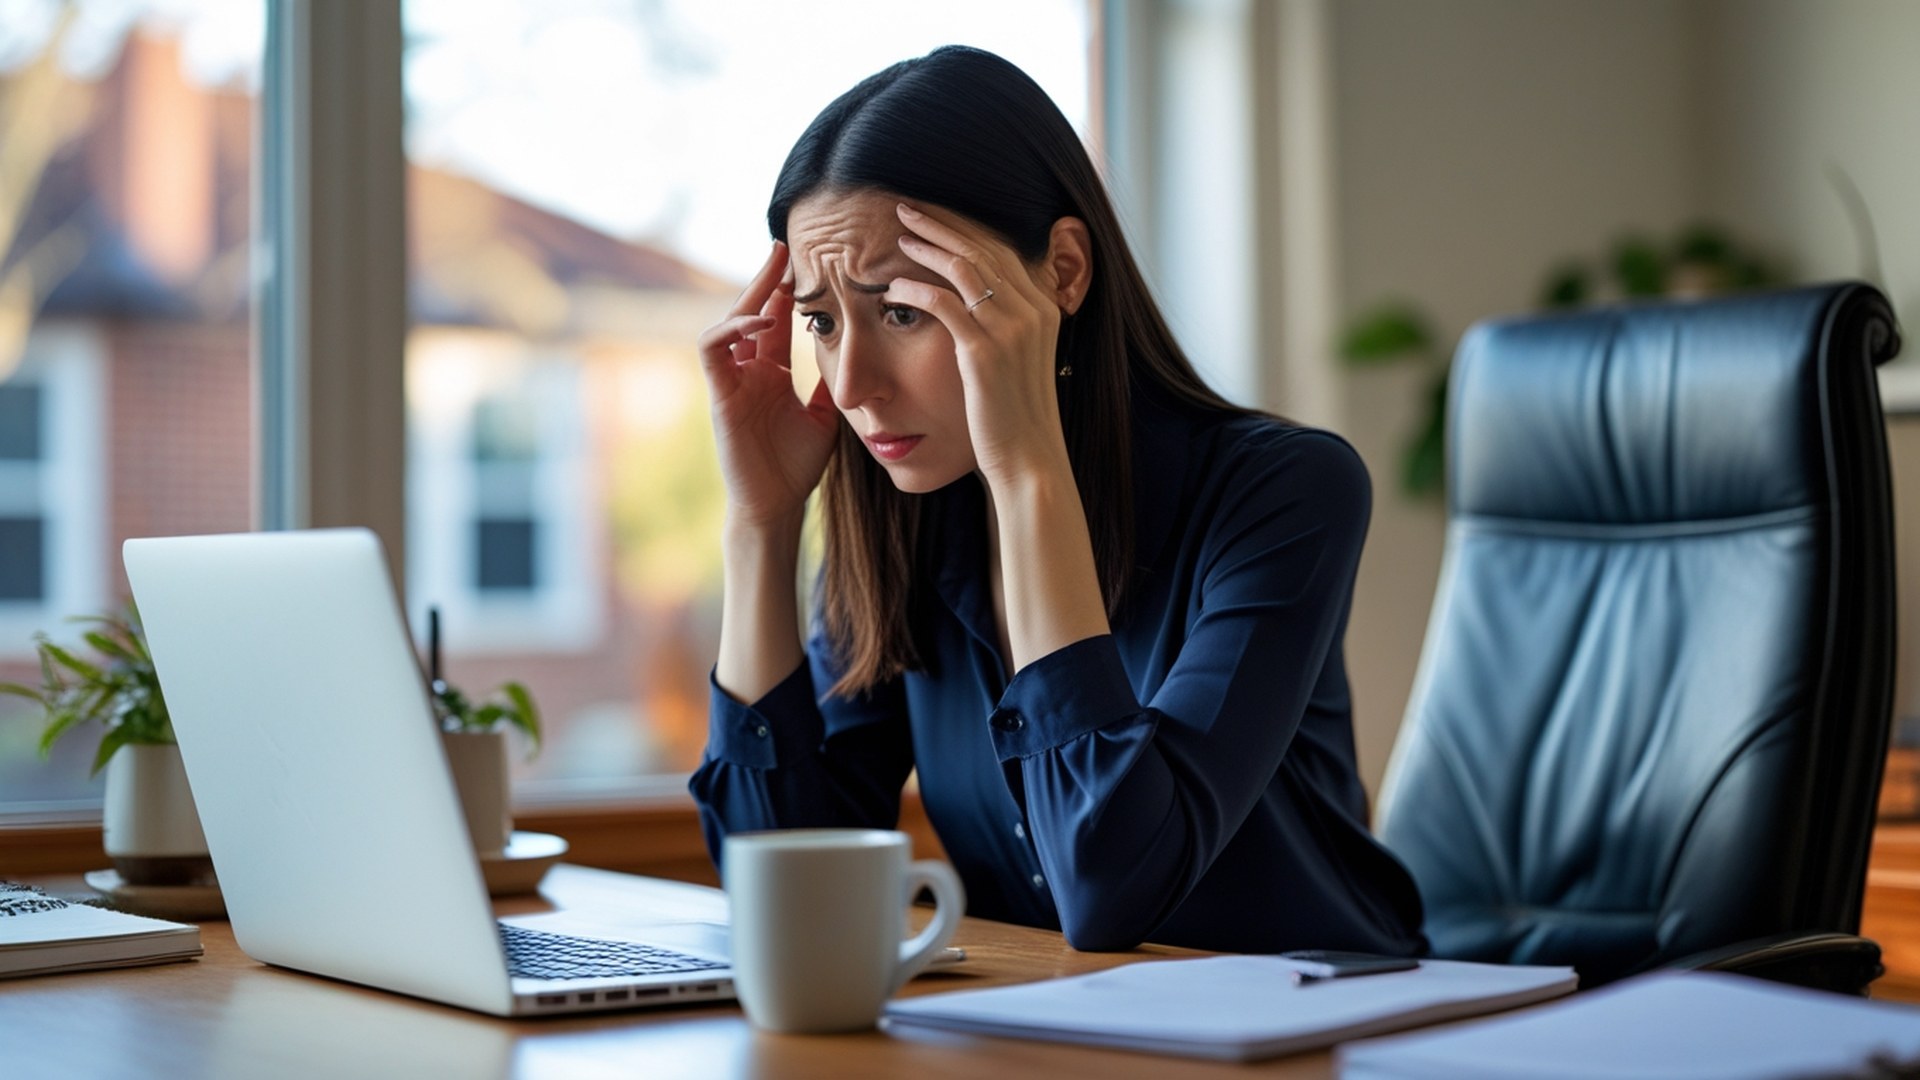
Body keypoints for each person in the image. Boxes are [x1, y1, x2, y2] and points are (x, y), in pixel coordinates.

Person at [688, 45, 1425, 956]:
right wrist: (759, 525)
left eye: (904, 310)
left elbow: (1116, 885)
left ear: (1063, 271)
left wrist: (1028, 471)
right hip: (1051, 1033)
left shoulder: (1282, 491)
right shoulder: (906, 514)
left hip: (1326, 1027)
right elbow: (785, 892)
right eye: (823, 320)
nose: (849, 384)